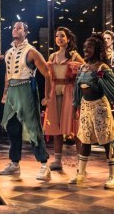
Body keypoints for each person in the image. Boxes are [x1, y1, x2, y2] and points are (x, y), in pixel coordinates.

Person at [68, 34, 114, 189]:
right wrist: (75, 106)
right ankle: (81, 173)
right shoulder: (83, 67)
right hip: (86, 107)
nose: (85, 49)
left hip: (100, 107)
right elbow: (77, 89)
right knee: (85, 139)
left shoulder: (102, 68)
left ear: (97, 49)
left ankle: (112, 176)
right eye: (85, 47)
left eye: (89, 47)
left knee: (107, 140)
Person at [0, 21, 52, 181]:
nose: (15, 29)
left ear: (26, 32)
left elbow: (47, 74)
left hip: (26, 89)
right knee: (12, 127)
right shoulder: (8, 52)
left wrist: (47, 96)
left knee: (33, 128)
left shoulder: (31, 52)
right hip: (13, 92)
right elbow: (7, 75)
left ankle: (44, 165)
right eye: (14, 27)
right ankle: (14, 164)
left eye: (19, 27)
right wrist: (5, 93)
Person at [41, 26, 84, 172]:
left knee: (75, 127)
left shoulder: (74, 56)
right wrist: (47, 96)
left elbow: (86, 72)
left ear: (68, 39)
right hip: (55, 91)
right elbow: (48, 77)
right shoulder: (52, 56)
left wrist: (76, 72)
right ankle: (57, 160)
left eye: (62, 36)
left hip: (69, 91)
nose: (59, 38)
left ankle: (81, 162)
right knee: (56, 127)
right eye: (57, 36)